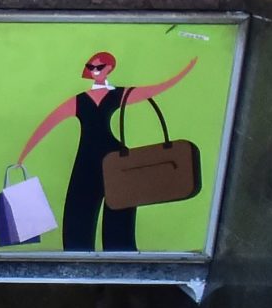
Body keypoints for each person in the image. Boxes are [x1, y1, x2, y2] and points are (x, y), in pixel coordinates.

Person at [13, 49, 199, 253]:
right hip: (87, 160)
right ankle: (78, 260)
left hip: (116, 160)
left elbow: (155, 89)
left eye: (99, 67)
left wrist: (186, 70)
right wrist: (23, 156)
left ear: (109, 68)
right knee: (78, 217)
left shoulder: (120, 93)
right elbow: (50, 122)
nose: (94, 71)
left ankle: (120, 260)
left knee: (119, 219)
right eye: (90, 67)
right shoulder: (80, 100)